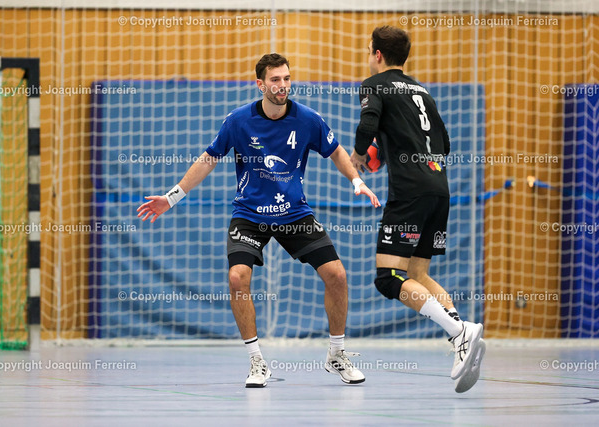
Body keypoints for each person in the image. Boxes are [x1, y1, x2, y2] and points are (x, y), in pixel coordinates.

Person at [137, 53, 381, 388]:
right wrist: (172, 197)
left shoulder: (308, 119)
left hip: (294, 213)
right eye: (275, 80)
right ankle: (256, 362)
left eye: (287, 78)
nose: (283, 86)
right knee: (237, 278)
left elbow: (336, 150)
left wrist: (356, 180)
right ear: (260, 84)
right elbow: (208, 159)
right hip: (250, 214)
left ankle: (336, 354)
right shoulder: (238, 121)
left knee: (337, 275)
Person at [350, 26, 485, 393]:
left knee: (388, 278)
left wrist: (360, 155)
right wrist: (392, 149)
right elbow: (445, 144)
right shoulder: (422, 91)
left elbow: (367, 124)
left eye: (369, 50)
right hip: (438, 188)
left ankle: (459, 330)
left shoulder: (374, 85)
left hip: (409, 192)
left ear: (377, 54)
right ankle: (462, 339)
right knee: (418, 272)